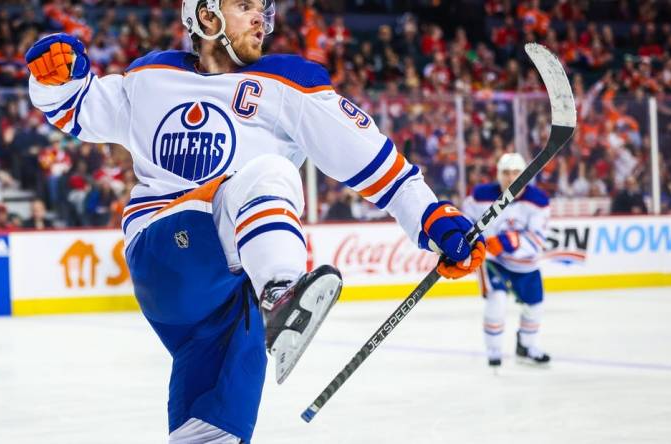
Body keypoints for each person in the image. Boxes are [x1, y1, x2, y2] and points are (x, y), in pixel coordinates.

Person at [25, 1, 485, 441]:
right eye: (244, 7)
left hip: (231, 297)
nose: (261, 20)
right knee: (271, 172)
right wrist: (55, 78)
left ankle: (275, 301)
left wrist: (432, 218)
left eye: (263, 10)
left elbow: (375, 162)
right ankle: (284, 293)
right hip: (166, 249)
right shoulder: (151, 75)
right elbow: (74, 108)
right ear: (205, 15)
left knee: (210, 432)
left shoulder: (291, 81)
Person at [463, 153, 551, 369]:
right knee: (497, 300)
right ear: (497, 174)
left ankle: (527, 346)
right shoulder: (480, 195)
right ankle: (494, 351)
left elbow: (537, 239)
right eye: (505, 173)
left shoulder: (538, 201)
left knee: (534, 306)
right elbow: (466, 221)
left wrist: (506, 242)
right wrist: (475, 241)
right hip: (494, 262)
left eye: (516, 173)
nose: (511, 178)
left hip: (526, 263)